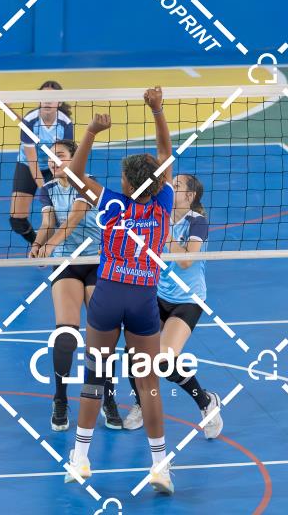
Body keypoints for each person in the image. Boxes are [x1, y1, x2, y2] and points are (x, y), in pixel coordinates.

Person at [62, 87, 176, 495]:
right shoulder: (163, 203)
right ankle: (160, 466)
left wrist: (91, 132)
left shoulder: (112, 203)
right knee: (148, 384)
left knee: (95, 377)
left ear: (126, 183)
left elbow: (74, 175)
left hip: (108, 295)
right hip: (144, 300)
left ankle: (80, 459)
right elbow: (165, 154)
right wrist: (157, 110)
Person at [30, 139, 123, 432]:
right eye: (50, 157)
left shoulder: (88, 184)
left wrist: (50, 245)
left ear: (75, 159)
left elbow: (73, 220)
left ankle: (108, 397)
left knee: (103, 335)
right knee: (66, 334)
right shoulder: (47, 189)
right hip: (67, 262)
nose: (53, 161)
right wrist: (37, 246)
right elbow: (48, 223)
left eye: (60, 156)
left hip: (97, 261)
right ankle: (60, 399)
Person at [122, 173, 223, 440]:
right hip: (158, 295)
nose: (169, 187)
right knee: (133, 352)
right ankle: (141, 404)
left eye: (176, 186)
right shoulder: (158, 215)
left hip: (188, 300)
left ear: (190, 196)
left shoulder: (197, 222)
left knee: (164, 360)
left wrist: (164, 232)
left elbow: (186, 261)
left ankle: (206, 402)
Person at [9, 80, 74, 246]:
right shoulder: (29, 122)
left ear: (59, 102)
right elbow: (32, 161)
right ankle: (36, 244)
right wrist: (44, 189)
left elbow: (65, 157)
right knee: (17, 220)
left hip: (54, 165)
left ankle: (55, 247)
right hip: (28, 164)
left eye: (52, 98)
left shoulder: (65, 123)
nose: (47, 101)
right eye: (44, 96)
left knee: (60, 215)